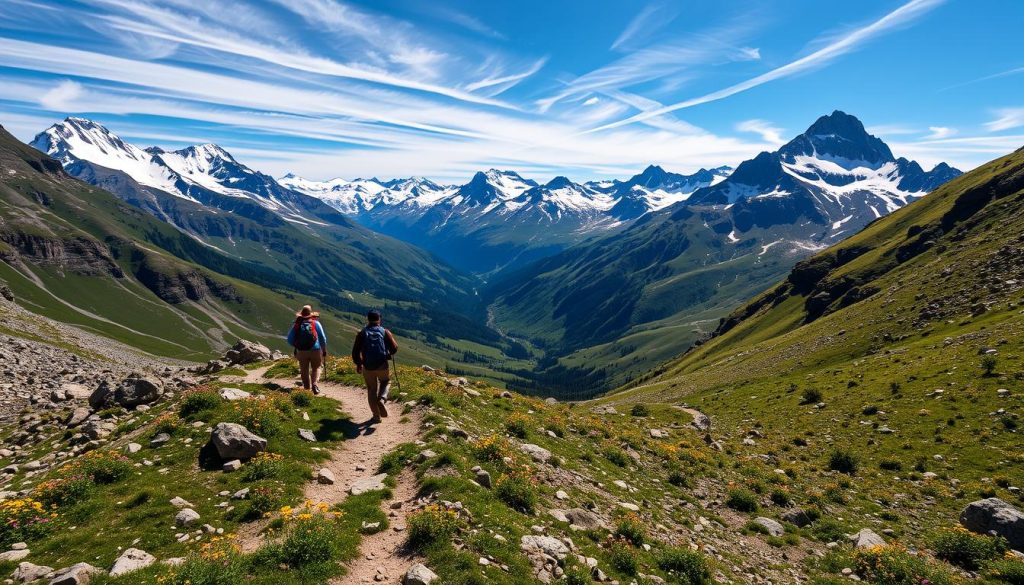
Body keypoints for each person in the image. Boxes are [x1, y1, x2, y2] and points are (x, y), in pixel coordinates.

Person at [351, 309, 398, 424]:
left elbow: (355, 352)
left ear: (368, 319)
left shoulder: (362, 333)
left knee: (371, 389)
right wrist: (387, 354)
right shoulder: (384, 331)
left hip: (368, 366)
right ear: (379, 319)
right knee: (386, 381)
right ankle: (382, 398)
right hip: (382, 364)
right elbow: (394, 348)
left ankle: (376, 416)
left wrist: (359, 364)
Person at [286, 305, 327, 394]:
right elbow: (322, 338)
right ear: (310, 314)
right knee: (316, 367)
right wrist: (323, 349)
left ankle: (306, 389)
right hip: (315, 349)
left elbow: (289, 339)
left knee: (304, 369)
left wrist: (297, 346)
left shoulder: (297, 324)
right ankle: (315, 385)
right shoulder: (315, 323)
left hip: (301, 351)